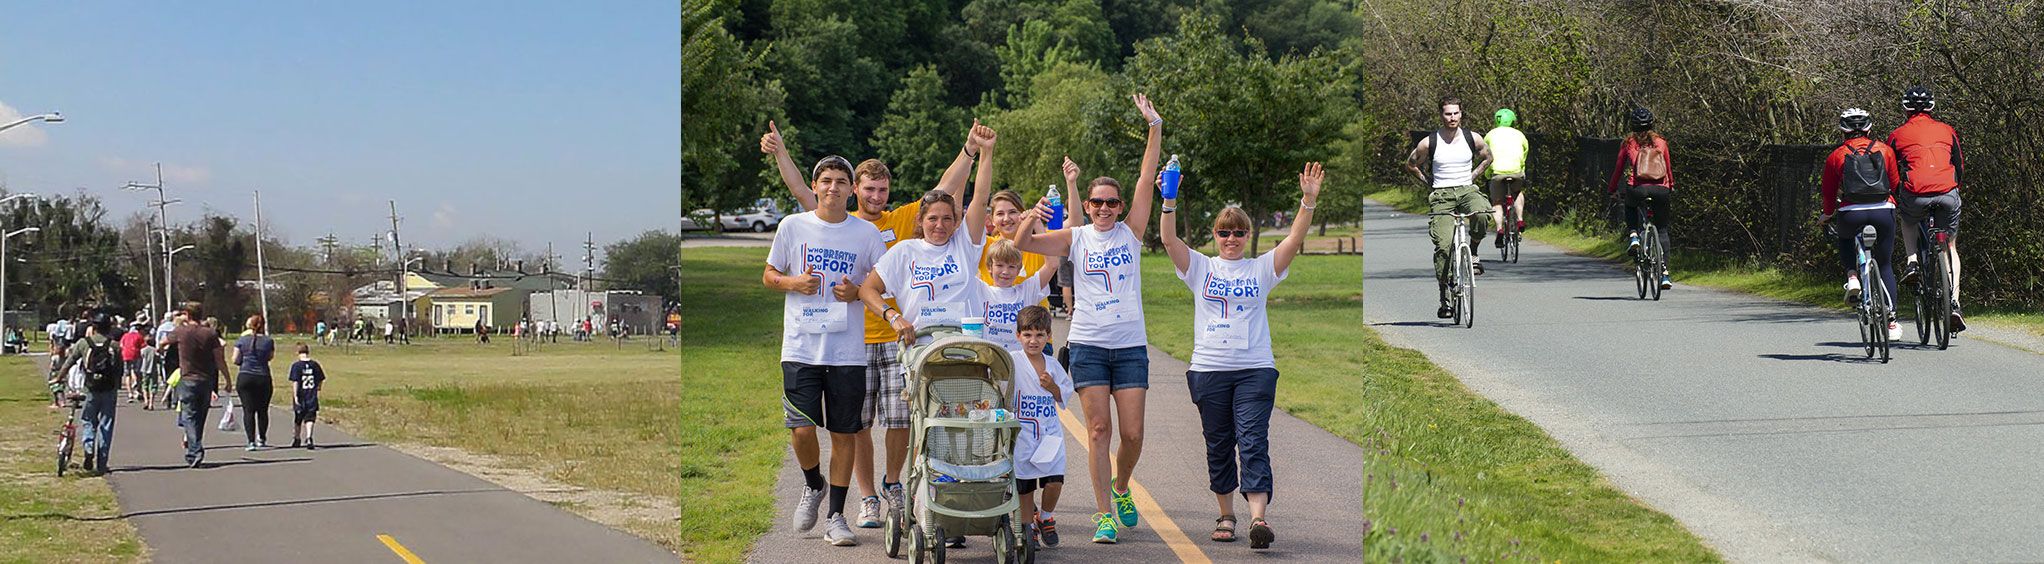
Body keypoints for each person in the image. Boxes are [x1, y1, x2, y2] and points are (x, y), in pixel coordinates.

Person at [763, 116, 988, 529]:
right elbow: (800, 188)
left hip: (894, 338)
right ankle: (865, 498)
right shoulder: (829, 220)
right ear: (854, 191)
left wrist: (970, 151)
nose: (876, 196)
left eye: (882, 189)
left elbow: (947, 186)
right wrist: (781, 153)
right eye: (869, 189)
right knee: (858, 426)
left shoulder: (900, 221)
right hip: (848, 338)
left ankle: (892, 486)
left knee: (898, 420)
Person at [1015, 92, 1164, 544]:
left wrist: (1154, 127)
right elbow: (1024, 243)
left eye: (1110, 203)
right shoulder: (1076, 237)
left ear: (1120, 207)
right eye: (1097, 202)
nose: (1102, 209)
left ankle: (1121, 487)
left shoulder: (1131, 233)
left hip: (1130, 345)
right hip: (1088, 345)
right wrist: (1033, 215)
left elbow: (1144, 177)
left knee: (1133, 434)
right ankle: (1104, 514)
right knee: (1099, 429)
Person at [1159, 162, 1321, 550]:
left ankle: (1258, 519)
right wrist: (1168, 198)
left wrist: (1308, 201)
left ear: (1248, 236)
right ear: (1214, 235)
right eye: (1224, 232)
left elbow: (1294, 240)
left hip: (1255, 370)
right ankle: (1226, 515)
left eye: (1239, 232)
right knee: (1218, 444)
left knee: (1252, 441)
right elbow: (1168, 241)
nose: (1231, 238)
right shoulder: (1200, 267)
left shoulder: (1262, 268)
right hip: (1209, 370)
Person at [854, 121, 999, 545]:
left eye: (947, 218)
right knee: (921, 427)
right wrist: (894, 317)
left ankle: (956, 504)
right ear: (920, 220)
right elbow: (868, 288)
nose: (940, 225)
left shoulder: (966, 244)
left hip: (964, 349)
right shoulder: (904, 252)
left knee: (962, 427)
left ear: (958, 221)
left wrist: (985, 154)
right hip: (920, 352)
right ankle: (922, 505)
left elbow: (980, 197)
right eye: (932, 218)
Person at [765, 151, 887, 547]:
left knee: (844, 433)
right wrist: (793, 283)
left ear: (852, 190)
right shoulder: (792, 226)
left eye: (840, 182)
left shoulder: (865, 235)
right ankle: (812, 483)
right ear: (814, 186)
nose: (833, 188)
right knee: (801, 430)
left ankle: (836, 515)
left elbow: (878, 283)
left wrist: (856, 292)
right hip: (800, 346)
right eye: (826, 181)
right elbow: (769, 275)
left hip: (847, 351)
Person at [1886, 85, 1967, 332]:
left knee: (1908, 220)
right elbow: (1958, 164)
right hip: (1947, 192)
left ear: (1905, 109)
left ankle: (1912, 261)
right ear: (1932, 107)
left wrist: (1897, 193)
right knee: (1949, 245)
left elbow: (1890, 169)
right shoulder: (1946, 129)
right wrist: (1955, 187)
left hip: (1916, 194)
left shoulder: (1897, 134)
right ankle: (1954, 303)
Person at [1406, 96, 1495, 319]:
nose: (1452, 117)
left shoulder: (1472, 138)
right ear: (1441, 115)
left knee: (1483, 214)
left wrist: (1473, 176)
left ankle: (1473, 252)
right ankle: (1444, 294)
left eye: (1456, 113)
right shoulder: (1429, 142)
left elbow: (1488, 157)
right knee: (1443, 248)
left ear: (1461, 114)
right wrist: (1430, 183)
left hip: (1466, 190)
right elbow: (1411, 164)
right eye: (1448, 114)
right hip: (1442, 195)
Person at [1820, 108, 1904, 342]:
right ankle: (1891, 321)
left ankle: (1853, 276)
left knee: (1845, 238)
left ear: (1843, 130)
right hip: (1884, 210)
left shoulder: (1836, 155)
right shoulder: (1885, 150)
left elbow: (1828, 193)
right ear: (1868, 128)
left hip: (1851, 212)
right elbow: (1895, 183)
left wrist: (1827, 215)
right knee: (1885, 265)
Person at [1009, 305, 1074, 549]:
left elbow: (1064, 395)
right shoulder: (1012, 361)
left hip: (1048, 433)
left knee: (1054, 479)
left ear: (1048, 336)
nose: (1033, 340)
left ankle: (1045, 517)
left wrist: (1053, 387)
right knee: (1024, 484)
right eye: (1027, 335)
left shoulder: (1053, 366)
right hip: (1022, 434)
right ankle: (1027, 530)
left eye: (1039, 335)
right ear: (1018, 336)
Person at [1608, 106, 1676, 290]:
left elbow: (1618, 168)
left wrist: (1612, 189)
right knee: (1662, 230)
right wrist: (1670, 186)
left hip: (1638, 188)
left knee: (1630, 206)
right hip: (1661, 190)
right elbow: (1668, 167)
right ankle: (1665, 275)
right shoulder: (1661, 142)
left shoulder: (1629, 143)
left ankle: (1634, 236)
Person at [57, 317, 122, 475]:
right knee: (106, 424)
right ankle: (102, 462)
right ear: (108, 328)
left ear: (94, 327)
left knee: (88, 421)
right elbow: (119, 369)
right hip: (108, 389)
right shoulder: (114, 345)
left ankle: (88, 448)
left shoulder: (84, 343)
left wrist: (59, 377)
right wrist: (117, 385)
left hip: (90, 388)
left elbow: (70, 361)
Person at [981, 239, 1062, 353]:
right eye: (999, 265)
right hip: (991, 361)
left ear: (1019, 270)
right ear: (989, 267)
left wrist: (1037, 223)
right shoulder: (980, 290)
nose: (1005, 271)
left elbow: (1052, 264)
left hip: (1021, 362)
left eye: (1011, 267)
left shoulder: (1027, 290)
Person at [172, 308, 229, 467]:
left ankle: (195, 450)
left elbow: (163, 343)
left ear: (187, 314)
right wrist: (227, 379)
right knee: (200, 416)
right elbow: (219, 358)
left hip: (188, 378)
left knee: (189, 416)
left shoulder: (181, 331)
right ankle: (195, 448)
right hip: (205, 380)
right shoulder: (210, 333)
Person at [232, 315, 278, 450]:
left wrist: (244, 360)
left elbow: (235, 359)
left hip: (245, 376)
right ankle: (262, 438)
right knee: (263, 410)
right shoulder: (268, 341)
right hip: (263, 377)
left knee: (248, 410)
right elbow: (270, 357)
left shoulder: (242, 340)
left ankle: (250, 441)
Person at [1486, 107, 1531, 243]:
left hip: (1498, 173)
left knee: (1497, 202)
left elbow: (1485, 155)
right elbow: (1525, 153)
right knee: (1517, 192)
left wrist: (1488, 173)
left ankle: (1500, 228)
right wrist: (1521, 168)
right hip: (1516, 171)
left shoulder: (1490, 135)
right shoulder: (1519, 135)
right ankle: (1520, 219)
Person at [287, 344, 325, 449]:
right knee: (310, 417)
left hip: (301, 394)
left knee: (298, 418)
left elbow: (295, 382)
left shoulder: (296, 366)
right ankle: (309, 437)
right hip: (311, 394)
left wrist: (295, 396)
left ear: (298, 353)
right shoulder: (315, 365)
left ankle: (297, 438)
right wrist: (318, 387)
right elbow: (321, 378)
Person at [120, 320, 147, 403]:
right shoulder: (139, 336)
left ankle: (130, 393)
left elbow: (121, 345)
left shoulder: (125, 335)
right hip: (136, 354)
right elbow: (144, 346)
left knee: (127, 374)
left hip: (126, 355)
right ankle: (137, 389)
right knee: (137, 372)